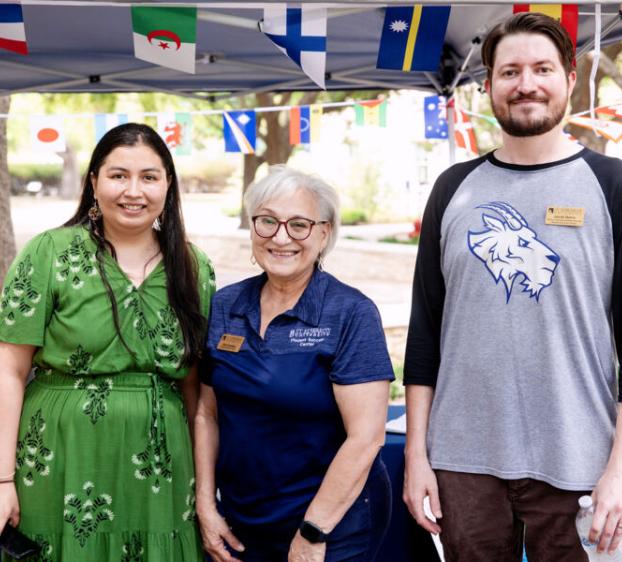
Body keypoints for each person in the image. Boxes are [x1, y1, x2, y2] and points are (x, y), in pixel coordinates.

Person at [402, 12, 622, 562]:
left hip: (582, 459)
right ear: (489, 85)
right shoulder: (452, 188)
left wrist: (620, 469)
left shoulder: (612, 185)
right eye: (510, 71)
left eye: (542, 68)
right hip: (464, 460)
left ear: (571, 79)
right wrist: (416, 458)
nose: (526, 84)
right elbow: (425, 333)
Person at [0, 123, 215, 561]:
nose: (133, 191)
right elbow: (9, 369)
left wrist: (206, 490)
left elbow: (197, 388)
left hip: (162, 464)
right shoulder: (49, 253)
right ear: (93, 181)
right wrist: (1, 479)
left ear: (168, 186)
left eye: (149, 177)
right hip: (60, 454)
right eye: (118, 175)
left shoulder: (194, 267)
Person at [195, 165, 394, 562]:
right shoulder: (224, 306)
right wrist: (206, 505)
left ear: (324, 234)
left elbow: (366, 438)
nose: (281, 237)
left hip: (331, 522)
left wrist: (313, 531)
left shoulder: (350, 313)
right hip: (243, 519)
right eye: (267, 222)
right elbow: (206, 413)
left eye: (299, 225)